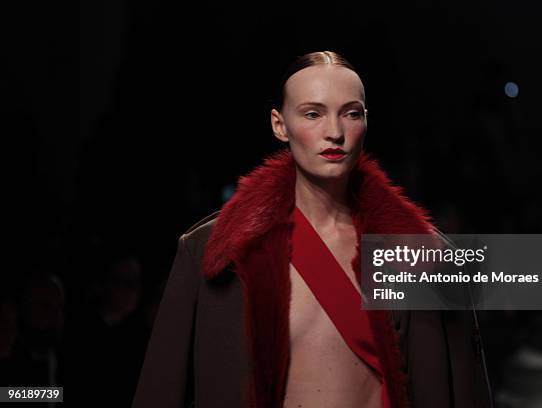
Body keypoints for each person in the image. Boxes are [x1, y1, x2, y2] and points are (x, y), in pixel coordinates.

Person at [132, 51, 491, 408]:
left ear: (366, 121)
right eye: (313, 114)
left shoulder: (426, 259)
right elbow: (162, 389)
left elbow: (463, 388)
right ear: (279, 124)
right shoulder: (208, 252)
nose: (334, 133)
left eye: (350, 113)